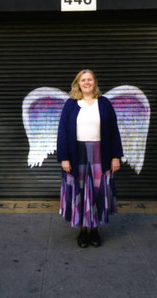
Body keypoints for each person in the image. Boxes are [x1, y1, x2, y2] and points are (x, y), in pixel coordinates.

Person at [57, 69, 123, 248]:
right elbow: (62, 132)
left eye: (90, 79)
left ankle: (94, 230)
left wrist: (116, 156)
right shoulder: (70, 104)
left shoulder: (104, 103)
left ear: (95, 82)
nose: (86, 83)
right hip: (76, 153)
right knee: (79, 190)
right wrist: (64, 158)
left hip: (100, 152)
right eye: (83, 80)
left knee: (97, 190)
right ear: (78, 83)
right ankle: (83, 230)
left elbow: (113, 131)